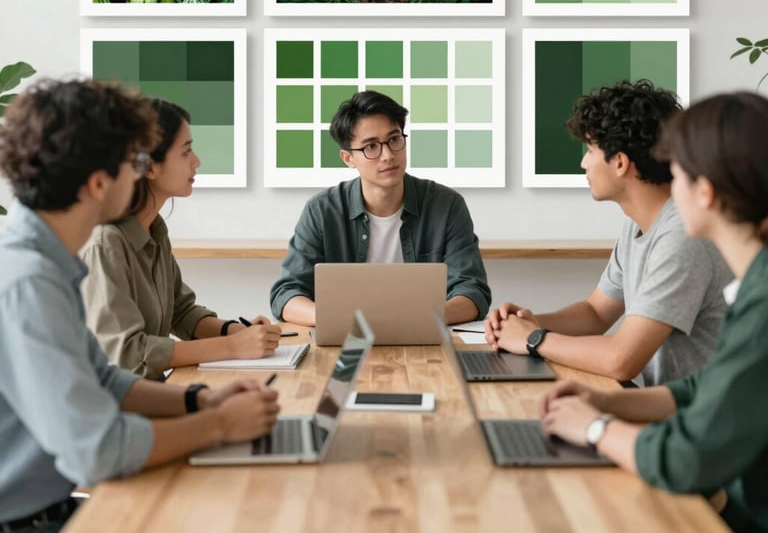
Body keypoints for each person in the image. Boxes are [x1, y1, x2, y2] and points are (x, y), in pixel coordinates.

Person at [0, 79, 279, 531]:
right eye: (133, 162)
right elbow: (98, 451)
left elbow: (105, 380)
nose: (139, 172)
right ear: (97, 183)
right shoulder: (30, 281)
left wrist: (201, 401)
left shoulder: (46, 262)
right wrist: (221, 425)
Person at [540, 92, 768, 532]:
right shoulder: (754, 282)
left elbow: (687, 458)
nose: (667, 183)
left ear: (705, 192)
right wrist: (607, 401)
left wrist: (597, 428)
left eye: (677, 171)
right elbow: (706, 386)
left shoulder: (759, 300)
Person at [486, 80, 732, 386]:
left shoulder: (683, 237)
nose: (583, 162)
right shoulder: (640, 223)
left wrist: (534, 339)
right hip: (668, 410)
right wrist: (526, 323)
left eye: (589, 150)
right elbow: (595, 313)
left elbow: (622, 360)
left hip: (700, 425)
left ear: (620, 163)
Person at [81, 99, 280, 380]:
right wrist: (231, 346)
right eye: (186, 152)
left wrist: (236, 331)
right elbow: (127, 354)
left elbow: (181, 311)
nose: (196, 161)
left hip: (154, 394)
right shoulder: (106, 244)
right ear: (149, 167)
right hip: (120, 410)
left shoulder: (154, 231)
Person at [270, 90, 491, 326]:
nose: (387, 155)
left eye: (394, 139)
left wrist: (416, 319)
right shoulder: (322, 211)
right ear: (348, 158)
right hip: (345, 338)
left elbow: (473, 291)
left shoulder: (446, 205)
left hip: (423, 337)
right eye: (371, 147)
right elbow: (286, 293)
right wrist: (337, 319)